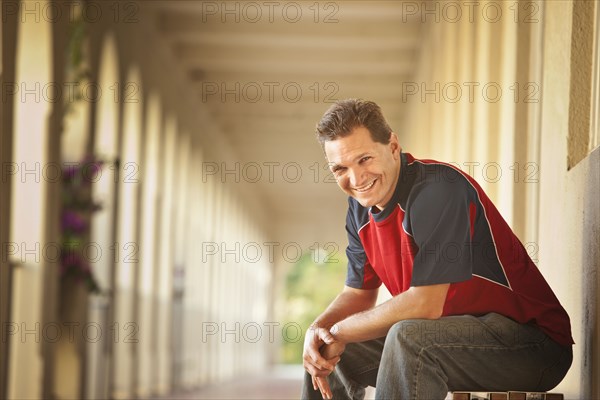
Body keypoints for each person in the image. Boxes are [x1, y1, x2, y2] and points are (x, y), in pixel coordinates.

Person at [301, 99, 573, 400]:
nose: (356, 179)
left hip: (533, 346)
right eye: (340, 168)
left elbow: (426, 304)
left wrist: (339, 331)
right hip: (453, 337)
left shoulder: (438, 189)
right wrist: (319, 330)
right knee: (323, 351)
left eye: (364, 159)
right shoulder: (359, 211)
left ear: (393, 147)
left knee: (408, 338)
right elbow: (358, 294)